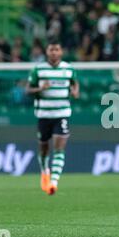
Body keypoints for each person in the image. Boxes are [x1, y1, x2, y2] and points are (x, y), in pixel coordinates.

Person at [26, 39, 79, 195]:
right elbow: (27, 90)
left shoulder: (68, 69)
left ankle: (53, 182)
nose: (54, 52)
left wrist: (75, 92)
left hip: (61, 114)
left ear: (61, 51)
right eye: (51, 49)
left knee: (59, 147)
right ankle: (44, 172)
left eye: (57, 49)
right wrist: (40, 88)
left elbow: (75, 84)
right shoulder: (39, 70)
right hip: (43, 114)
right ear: (47, 52)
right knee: (43, 149)